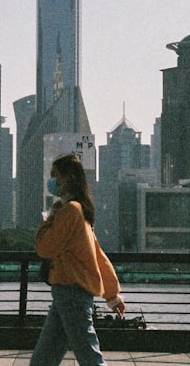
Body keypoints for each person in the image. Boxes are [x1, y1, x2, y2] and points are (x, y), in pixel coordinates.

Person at [30, 154, 126, 366]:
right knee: (44, 359)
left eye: (55, 176)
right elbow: (97, 256)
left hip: (70, 292)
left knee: (89, 357)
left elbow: (45, 248)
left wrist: (47, 222)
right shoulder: (80, 210)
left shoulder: (70, 211)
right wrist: (112, 295)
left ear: (69, 178)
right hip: (69, 292)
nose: (52, 181)